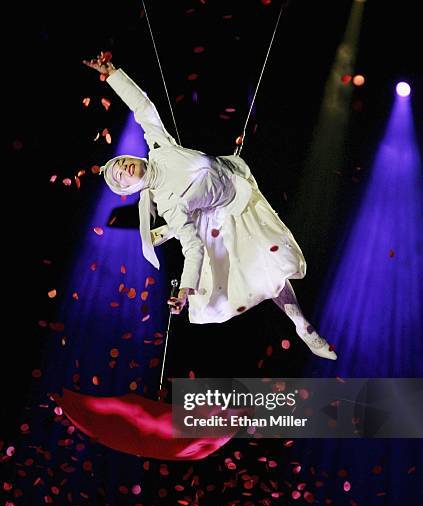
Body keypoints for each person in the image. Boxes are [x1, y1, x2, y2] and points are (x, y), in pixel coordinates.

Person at [83, 53, 337, 360]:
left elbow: (143, 107)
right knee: (270, 271)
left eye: (122, 162)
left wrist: (112, 74)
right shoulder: (167, 203)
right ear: (129, 186)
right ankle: (301, 325)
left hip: (237, 184)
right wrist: (184, 292)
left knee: (277, 264)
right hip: (227, 216)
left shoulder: (160, 147)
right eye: (121, 174)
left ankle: (163, 234)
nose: (125, 166)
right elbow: (193, 248)